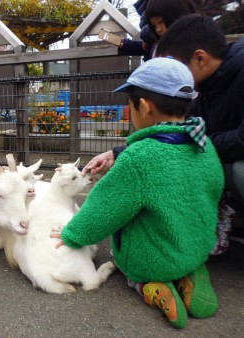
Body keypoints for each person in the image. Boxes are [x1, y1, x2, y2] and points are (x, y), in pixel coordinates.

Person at [51, 57, 224, 329]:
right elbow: (215, 189)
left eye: (129, 105)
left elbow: (103, 209)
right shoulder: (204, 144)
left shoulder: (139, 158)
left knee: (131, 265)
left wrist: (72, 234)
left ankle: (152, 287)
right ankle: (192, 273)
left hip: (153, 261)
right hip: (197, 247)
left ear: (144, 107)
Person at [155, 14, 244, 244]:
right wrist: (118, 152)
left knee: (239, 171)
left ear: (200, 58)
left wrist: (198, 142)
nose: (172, 77)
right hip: (228, 156)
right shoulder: (206, 89)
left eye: (175, 67)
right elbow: (176, 127)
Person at [117, 0, 197, 60]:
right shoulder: (159, 42)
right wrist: (126, 44)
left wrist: (147, 34)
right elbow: (146, 47)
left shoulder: (189, 42)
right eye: (154, 26)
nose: (158, 29)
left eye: (161, 22)